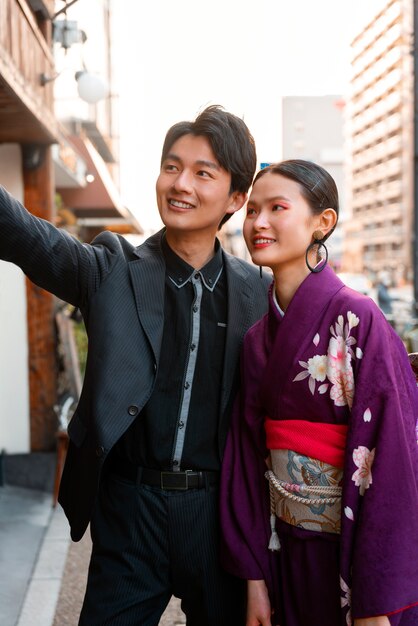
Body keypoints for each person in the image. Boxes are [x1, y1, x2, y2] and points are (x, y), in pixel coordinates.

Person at [0, 105, 271, 626]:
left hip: (217, 517)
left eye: (202, 173)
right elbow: (28, 237)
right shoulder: (111, 270)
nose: (180, 183)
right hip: (130, 511)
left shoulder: (259, 294)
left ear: (237, 197)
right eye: (172, 167)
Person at [220, 160, 418, 626]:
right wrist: (254, 581)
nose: (258, 222)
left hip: (352, 552)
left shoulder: (358, 319)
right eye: (252, 211)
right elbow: (246, 464)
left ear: (322, 223)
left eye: (277, 208)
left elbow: (396, 459)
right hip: (285, 552)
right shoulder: (255, 342)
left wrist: (378, 600)